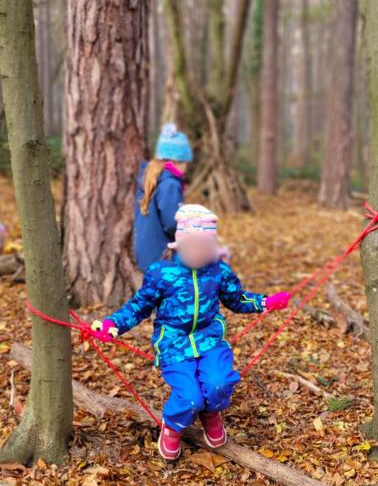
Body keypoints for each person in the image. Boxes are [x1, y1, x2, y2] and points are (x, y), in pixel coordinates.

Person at [92, 203, 291, 461]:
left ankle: (212, 414)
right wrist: (114, 324)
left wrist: (265, 302)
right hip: (174, 345)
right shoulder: (162, 273)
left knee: (219, 384)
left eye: (204, 246)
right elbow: (139, 306)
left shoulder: (219, 272)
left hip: (209, 341)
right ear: (180, 245)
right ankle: (173, 427)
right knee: (190, 399)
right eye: (192, 246)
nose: (198, 252)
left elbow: (237, 299)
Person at [134, 123, 193, 272]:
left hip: (146, 254)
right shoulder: (170, 184)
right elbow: (172, 223)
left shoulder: (150, 177)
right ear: (175, 161)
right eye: (185, 163)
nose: (186, 167)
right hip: (162, 256)